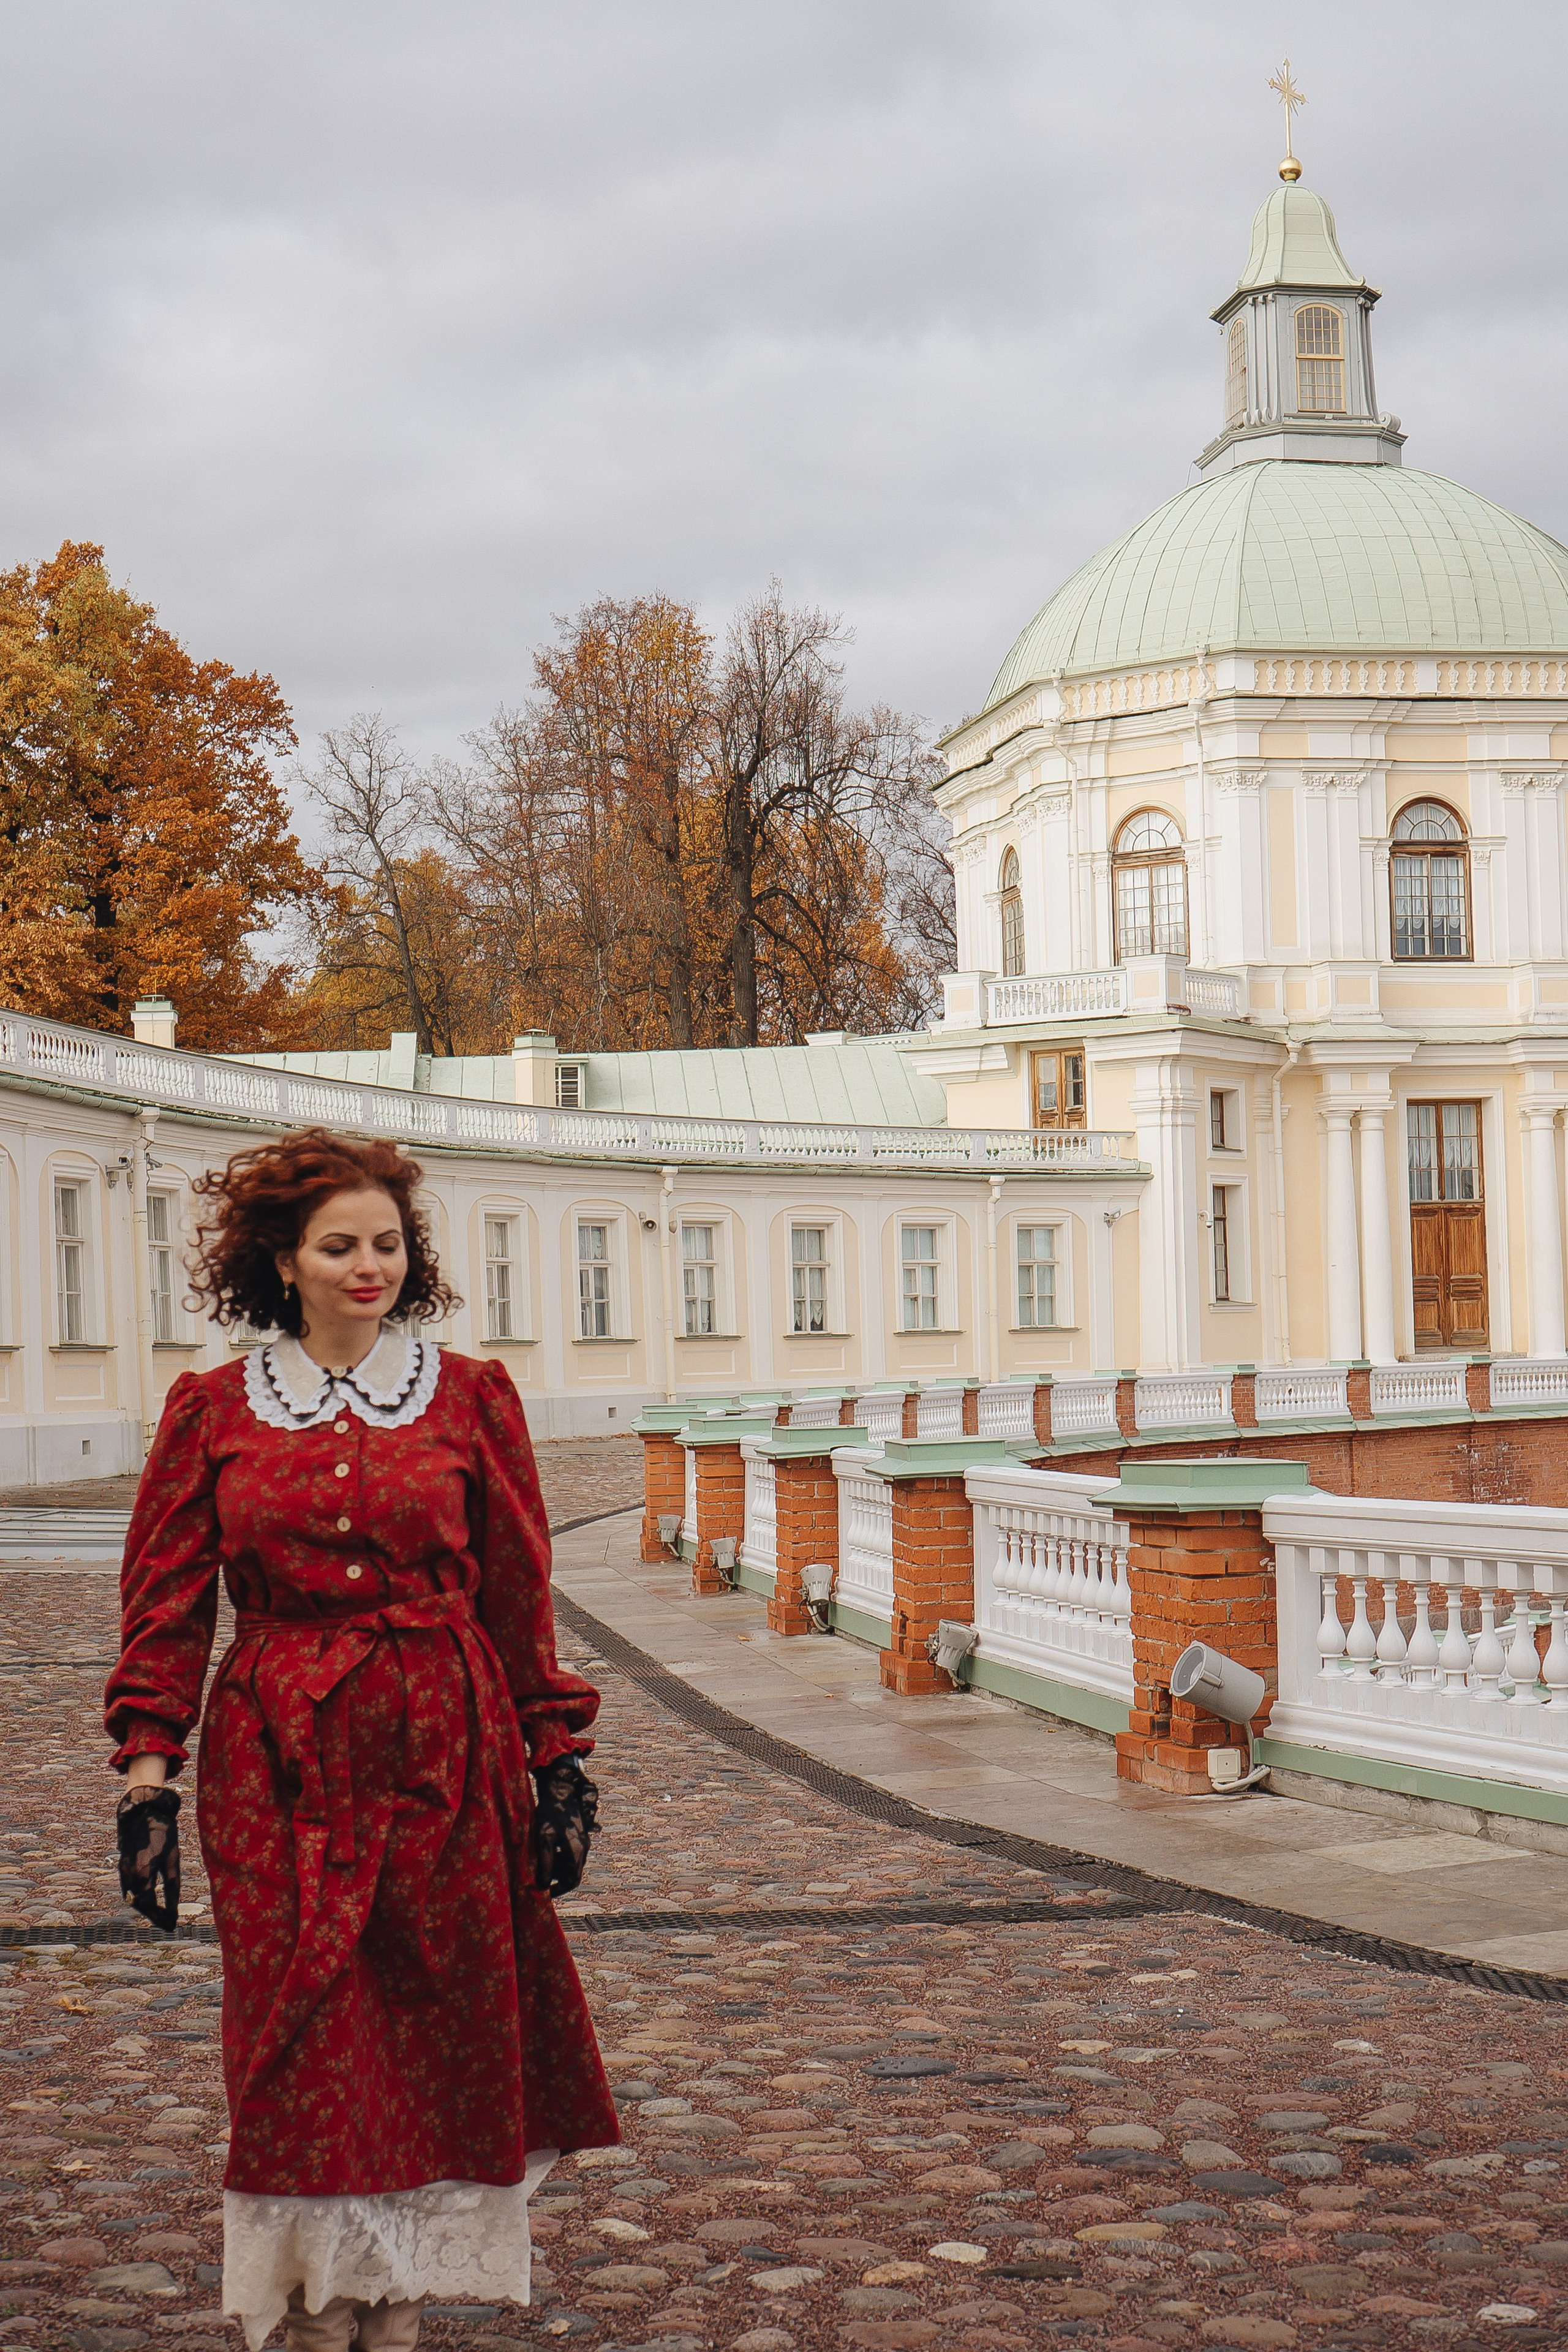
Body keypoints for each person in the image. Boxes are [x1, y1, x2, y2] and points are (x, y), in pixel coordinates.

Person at [103, 1129, 619, 2352]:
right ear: (282, 1259)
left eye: (386, 1242)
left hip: (443, 1752)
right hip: (272, 1761)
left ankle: (390, 2317)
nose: (367, 1265)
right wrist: (146, 1783)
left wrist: (557, 1765)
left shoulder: (471, 1399)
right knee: (300, 2040)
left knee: (430, 2037)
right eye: (340, 1245)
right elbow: (166, 1604)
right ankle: (318, 2314)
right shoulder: (213, 1411)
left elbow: (514, 1593)